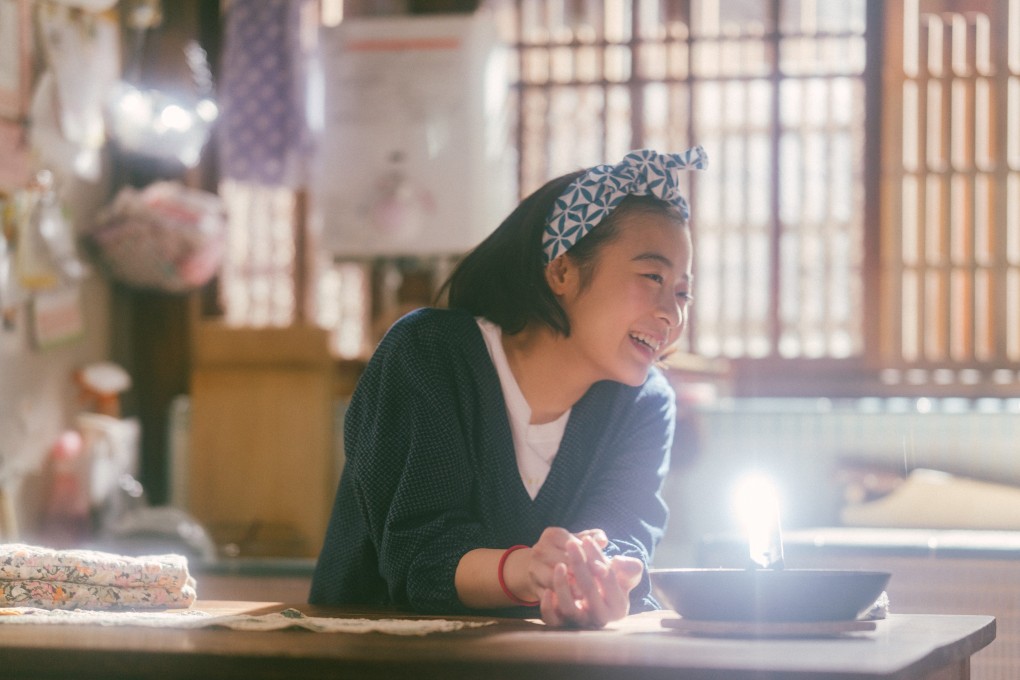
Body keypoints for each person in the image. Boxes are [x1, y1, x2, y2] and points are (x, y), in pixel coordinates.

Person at [309, 147, 708, 628]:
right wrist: (529, 572)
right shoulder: (429, 354)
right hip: (373, 663)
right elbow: (420, 558)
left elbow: (621, 536)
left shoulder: (646, 403)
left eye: (683, 291)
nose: (672, 312)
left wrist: (598, 583)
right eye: (652, 276)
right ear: (562, 271)